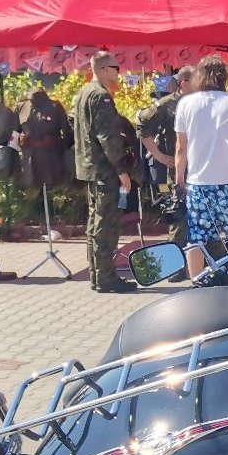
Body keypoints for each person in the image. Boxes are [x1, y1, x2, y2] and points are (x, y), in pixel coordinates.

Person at [174, 54, 228, 279]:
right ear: (224, 77)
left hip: (198, 182)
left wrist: (179, 177)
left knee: (196, 237)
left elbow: (181, 147)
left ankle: (196, 282)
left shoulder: (186, 103)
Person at [72, 51, 136, 293]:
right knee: (104, 224)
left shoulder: (83, 93)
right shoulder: (101, 96)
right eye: (116, 68)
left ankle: (97, 275)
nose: (118, 73)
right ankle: (105, 277)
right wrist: (121, 169)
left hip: (91, 167)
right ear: (103, 69)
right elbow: (108, 137)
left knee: (94, 222)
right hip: (104, 170)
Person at [137, 65, 195, 189]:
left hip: (200, 170)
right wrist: (159, 155)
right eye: (198, 81)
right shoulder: (166, 104)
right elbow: (142, 124)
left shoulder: (201, 103)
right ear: (184, 83)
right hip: (177, 170)